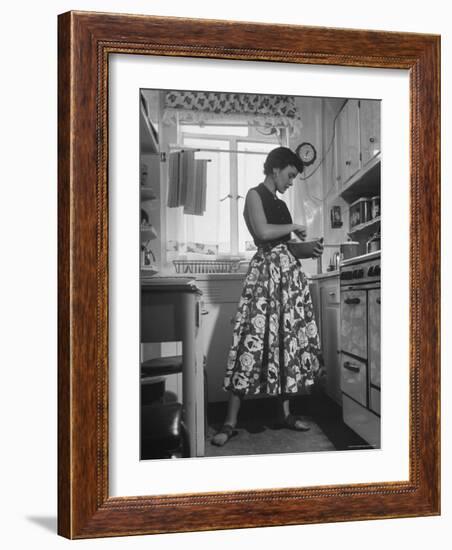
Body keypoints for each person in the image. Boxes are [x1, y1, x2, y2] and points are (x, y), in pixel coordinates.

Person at [212, 146, 324, 446]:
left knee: (286, 343)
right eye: (289, 175)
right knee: (251, 340)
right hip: (264, 279)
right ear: (275, 169)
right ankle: (229, 422)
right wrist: (294, 227)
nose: (290, 182)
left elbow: (285, 246)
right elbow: (262, 232)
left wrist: (308, 247)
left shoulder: (282, 206)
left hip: (288, 278)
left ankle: (285, 414)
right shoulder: (253, 194)